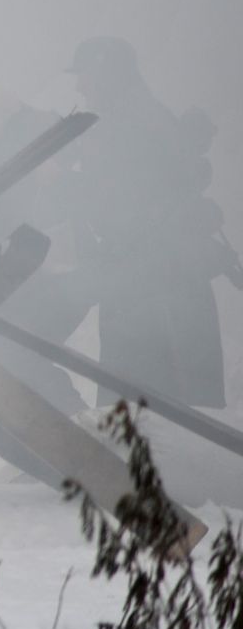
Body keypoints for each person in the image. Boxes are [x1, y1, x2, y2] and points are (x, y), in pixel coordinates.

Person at [59, 36, 236, 408]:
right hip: (156, 285)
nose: (80, 85)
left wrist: (72, 187)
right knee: (162, 411)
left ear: (106, 71)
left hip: (152, 289)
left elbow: (126, 210)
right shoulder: (144, 117)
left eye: (85, 74)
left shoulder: (124, 125)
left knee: (153, 414)